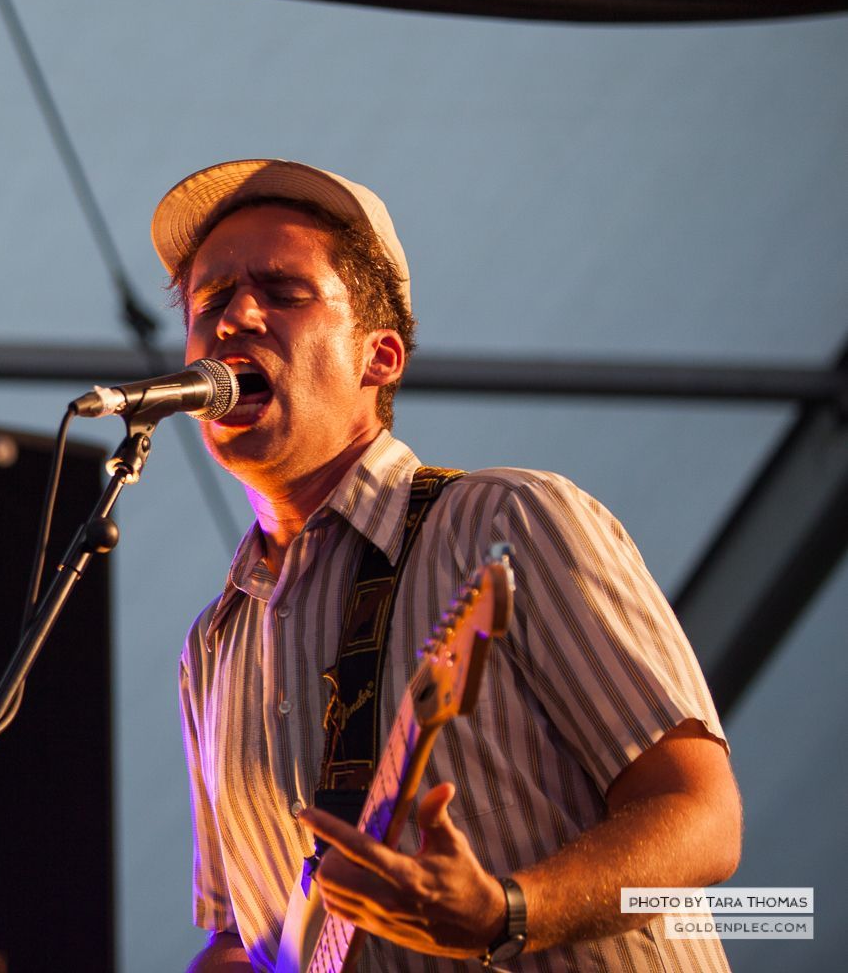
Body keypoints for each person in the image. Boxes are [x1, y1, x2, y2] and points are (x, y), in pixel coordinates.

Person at [154, 160, 742, 972]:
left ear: (379, 357)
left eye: (283, 291)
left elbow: (702, 820)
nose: (234, 317)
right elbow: (237, 933)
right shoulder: (210, 647)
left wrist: (509, 912)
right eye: (209, 300)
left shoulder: (509, 522)